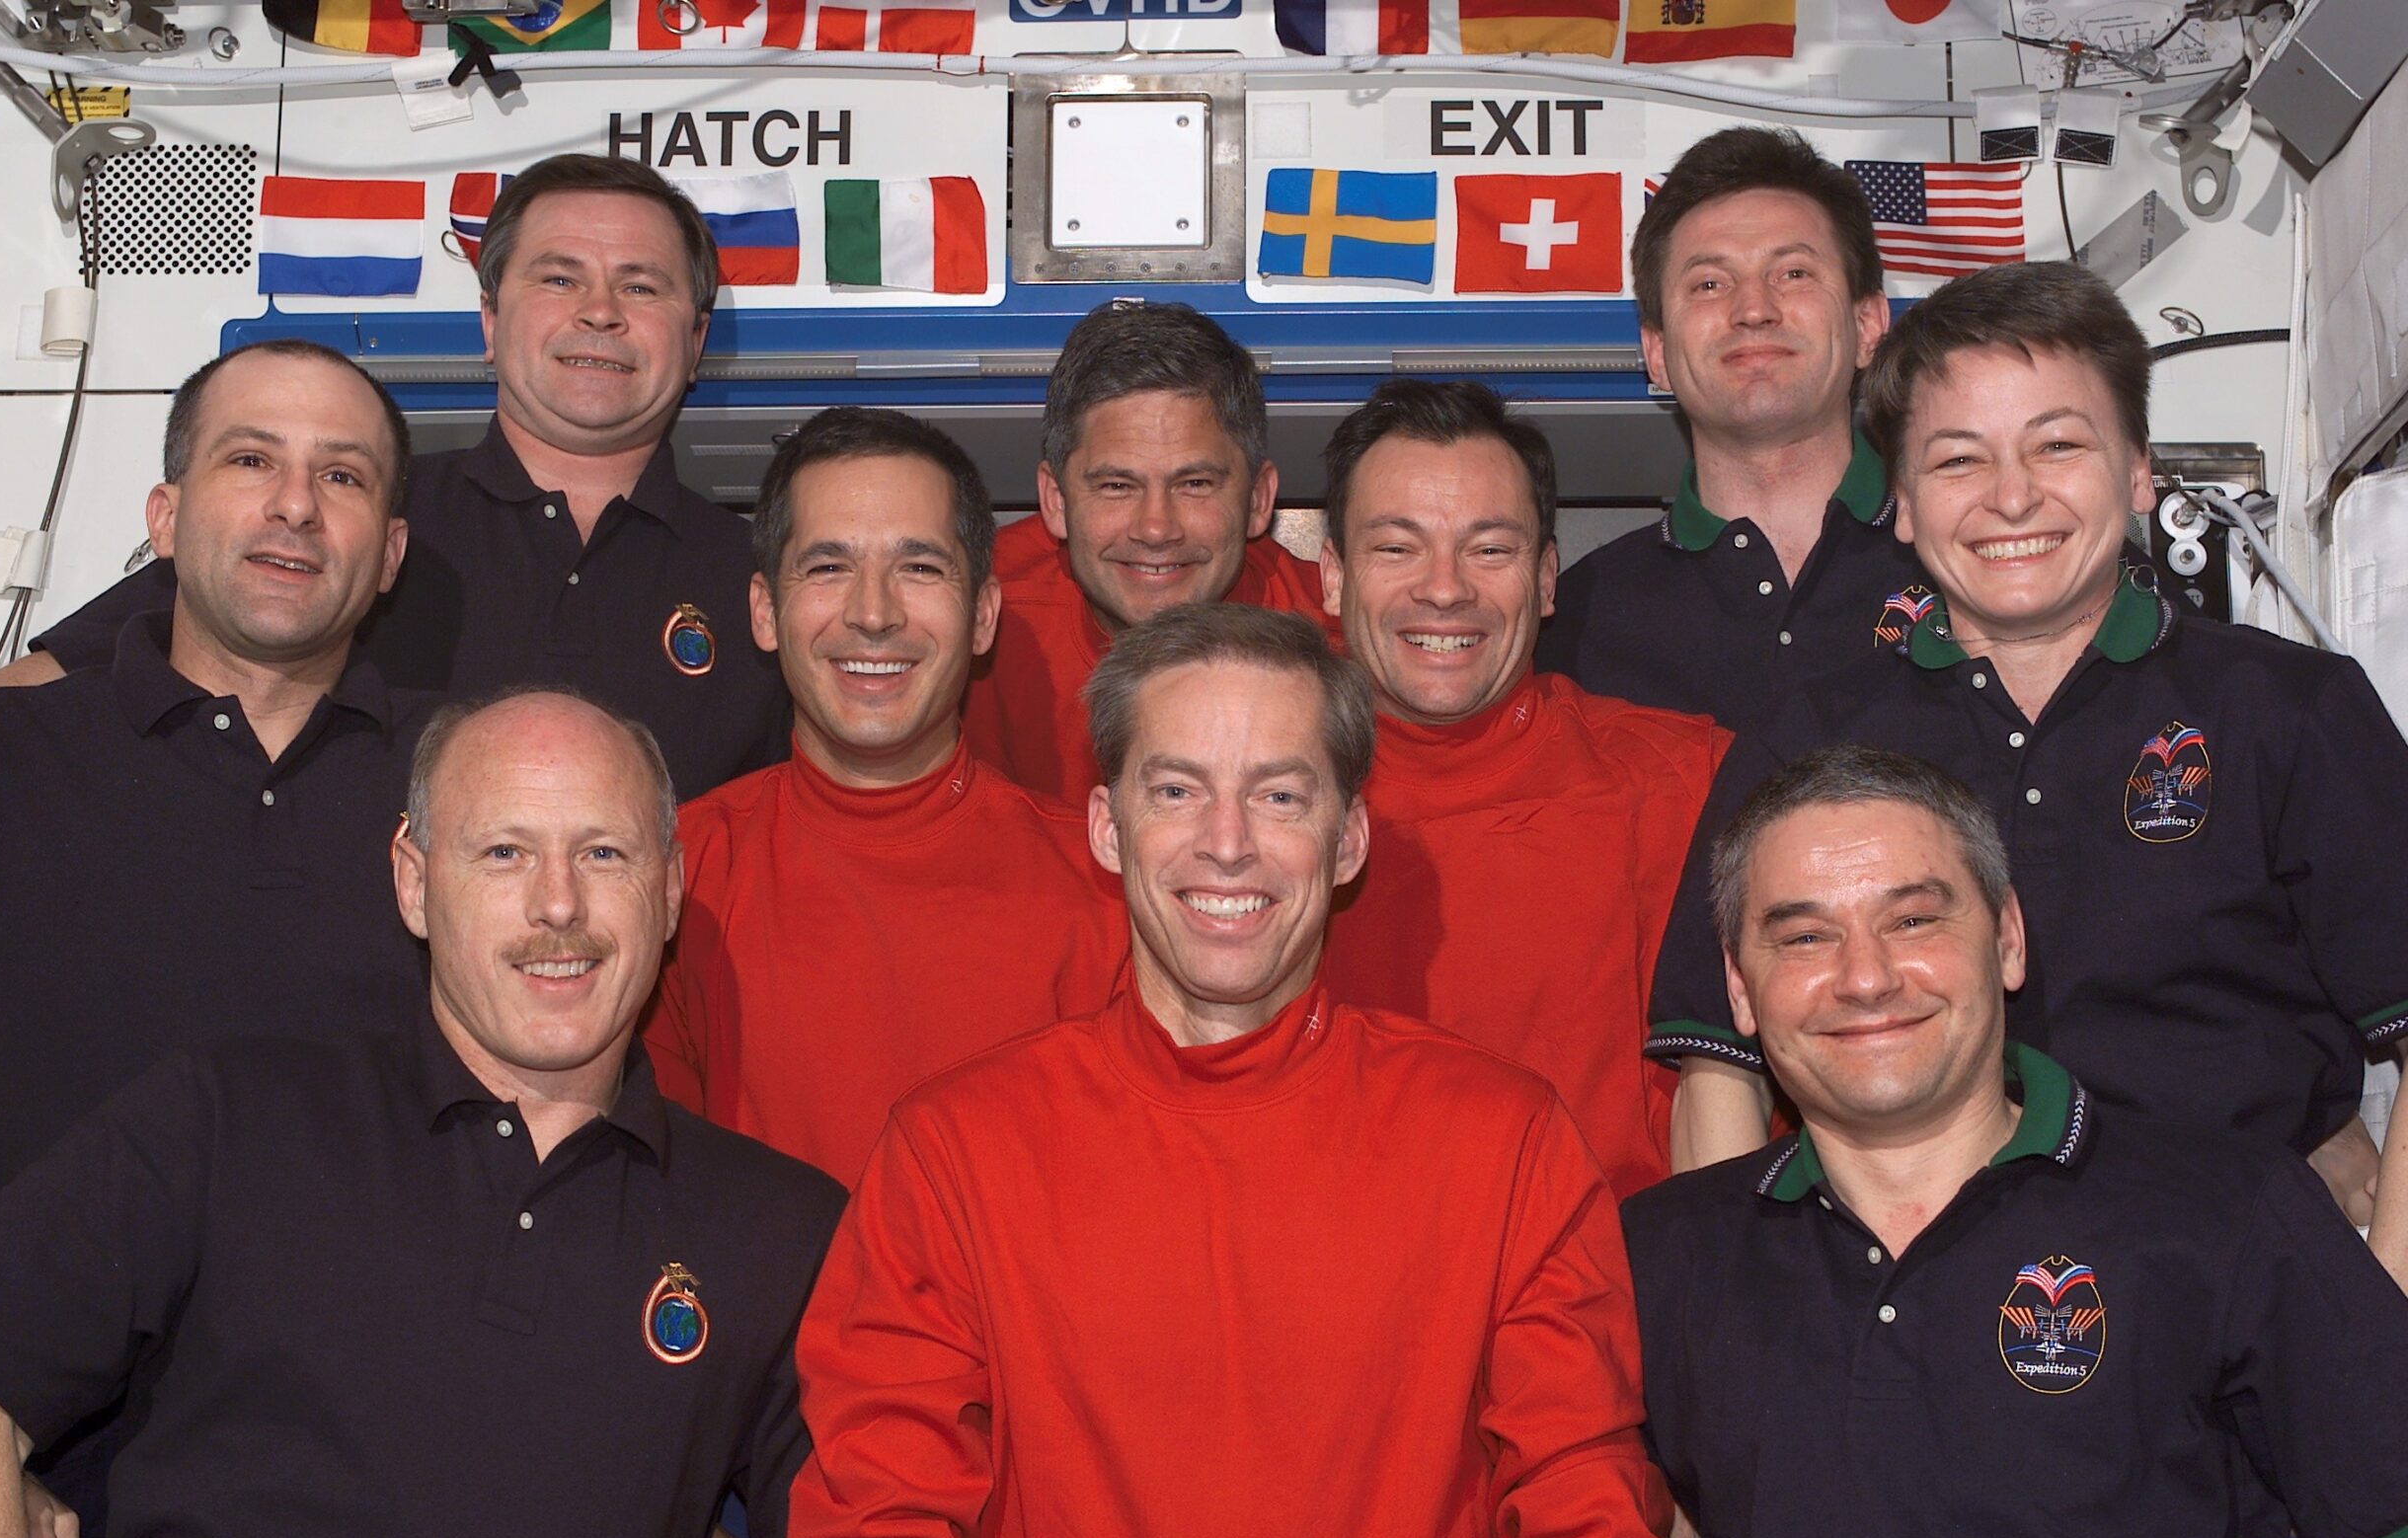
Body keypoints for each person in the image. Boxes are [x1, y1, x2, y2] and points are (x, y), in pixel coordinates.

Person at [786, 604, 1683, 1538]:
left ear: (1349, 836)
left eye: (1278, 793)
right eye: (1175, 790)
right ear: (1106, 827)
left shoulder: (1500, 1140)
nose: (1226, 842)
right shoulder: (954, 1150)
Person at [0, 688, 846, 1538]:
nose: (558, 904)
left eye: (606, 854)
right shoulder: (227, 1113)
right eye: (504, 853)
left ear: (668, 889)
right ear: (413, 879)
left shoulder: (779, 1227)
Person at [1624, 743, 2408, 1538]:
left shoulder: (2223, 1206)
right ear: (1738, 990)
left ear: (2005, 938)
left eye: (1912, 919)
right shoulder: (1658, 1259)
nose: (1864, 977)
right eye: (1803, 936)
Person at [1647, 263, 2408, 1266]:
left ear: (2138, 468)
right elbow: (1719, 1065)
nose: (2012, 497)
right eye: (1958, 460)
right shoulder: (1807, 740)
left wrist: (2378, 1319)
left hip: (2238, 1296)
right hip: (1909, 1296)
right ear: (1905, 504)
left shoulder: (2289, 708)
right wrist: (1736, 1304)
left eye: (2057, 444)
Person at [0, 338, 431, 1538]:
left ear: (394, 550)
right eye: (253, 459)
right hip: (60, 1532)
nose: (296, 504)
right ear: (166, 516)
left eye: (342, 475)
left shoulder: (471, 790)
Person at [0, 153, 787, 803]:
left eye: (641, 286)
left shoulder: (769, 573)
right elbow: (21, 701)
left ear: (695, 340)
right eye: (558, 279)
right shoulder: (347, 518)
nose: (600, 312)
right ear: (489, 322)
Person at [645, 407, 1126, 1189]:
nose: (874, 613)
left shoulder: (1104, 885)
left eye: (921, 568)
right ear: (765, 612)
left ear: (983, 616)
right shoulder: (675, 878)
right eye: (829, 567)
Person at [1319, 380, 1726, 1195]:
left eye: (1490, 549)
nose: (1444, 588)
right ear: (1332, 576)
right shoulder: (1255, 809)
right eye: (1397, 548)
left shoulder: (1685, 782)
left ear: (1546, 581)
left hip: (1617, 1294)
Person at [1535, 126, 1924, 723]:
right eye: (1709, 284)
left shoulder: (1979, 556)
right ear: (1657, 353)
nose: (1752, 310)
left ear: (1869, 324)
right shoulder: (1573, 624)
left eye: (1792, 273)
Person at [964, 300, 1332, 804]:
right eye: (1117, 486)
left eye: (1195, 483)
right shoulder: (958, 617)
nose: (1156, 529)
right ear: (1055, 500)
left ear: (1258, 500)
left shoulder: (1342, 643)